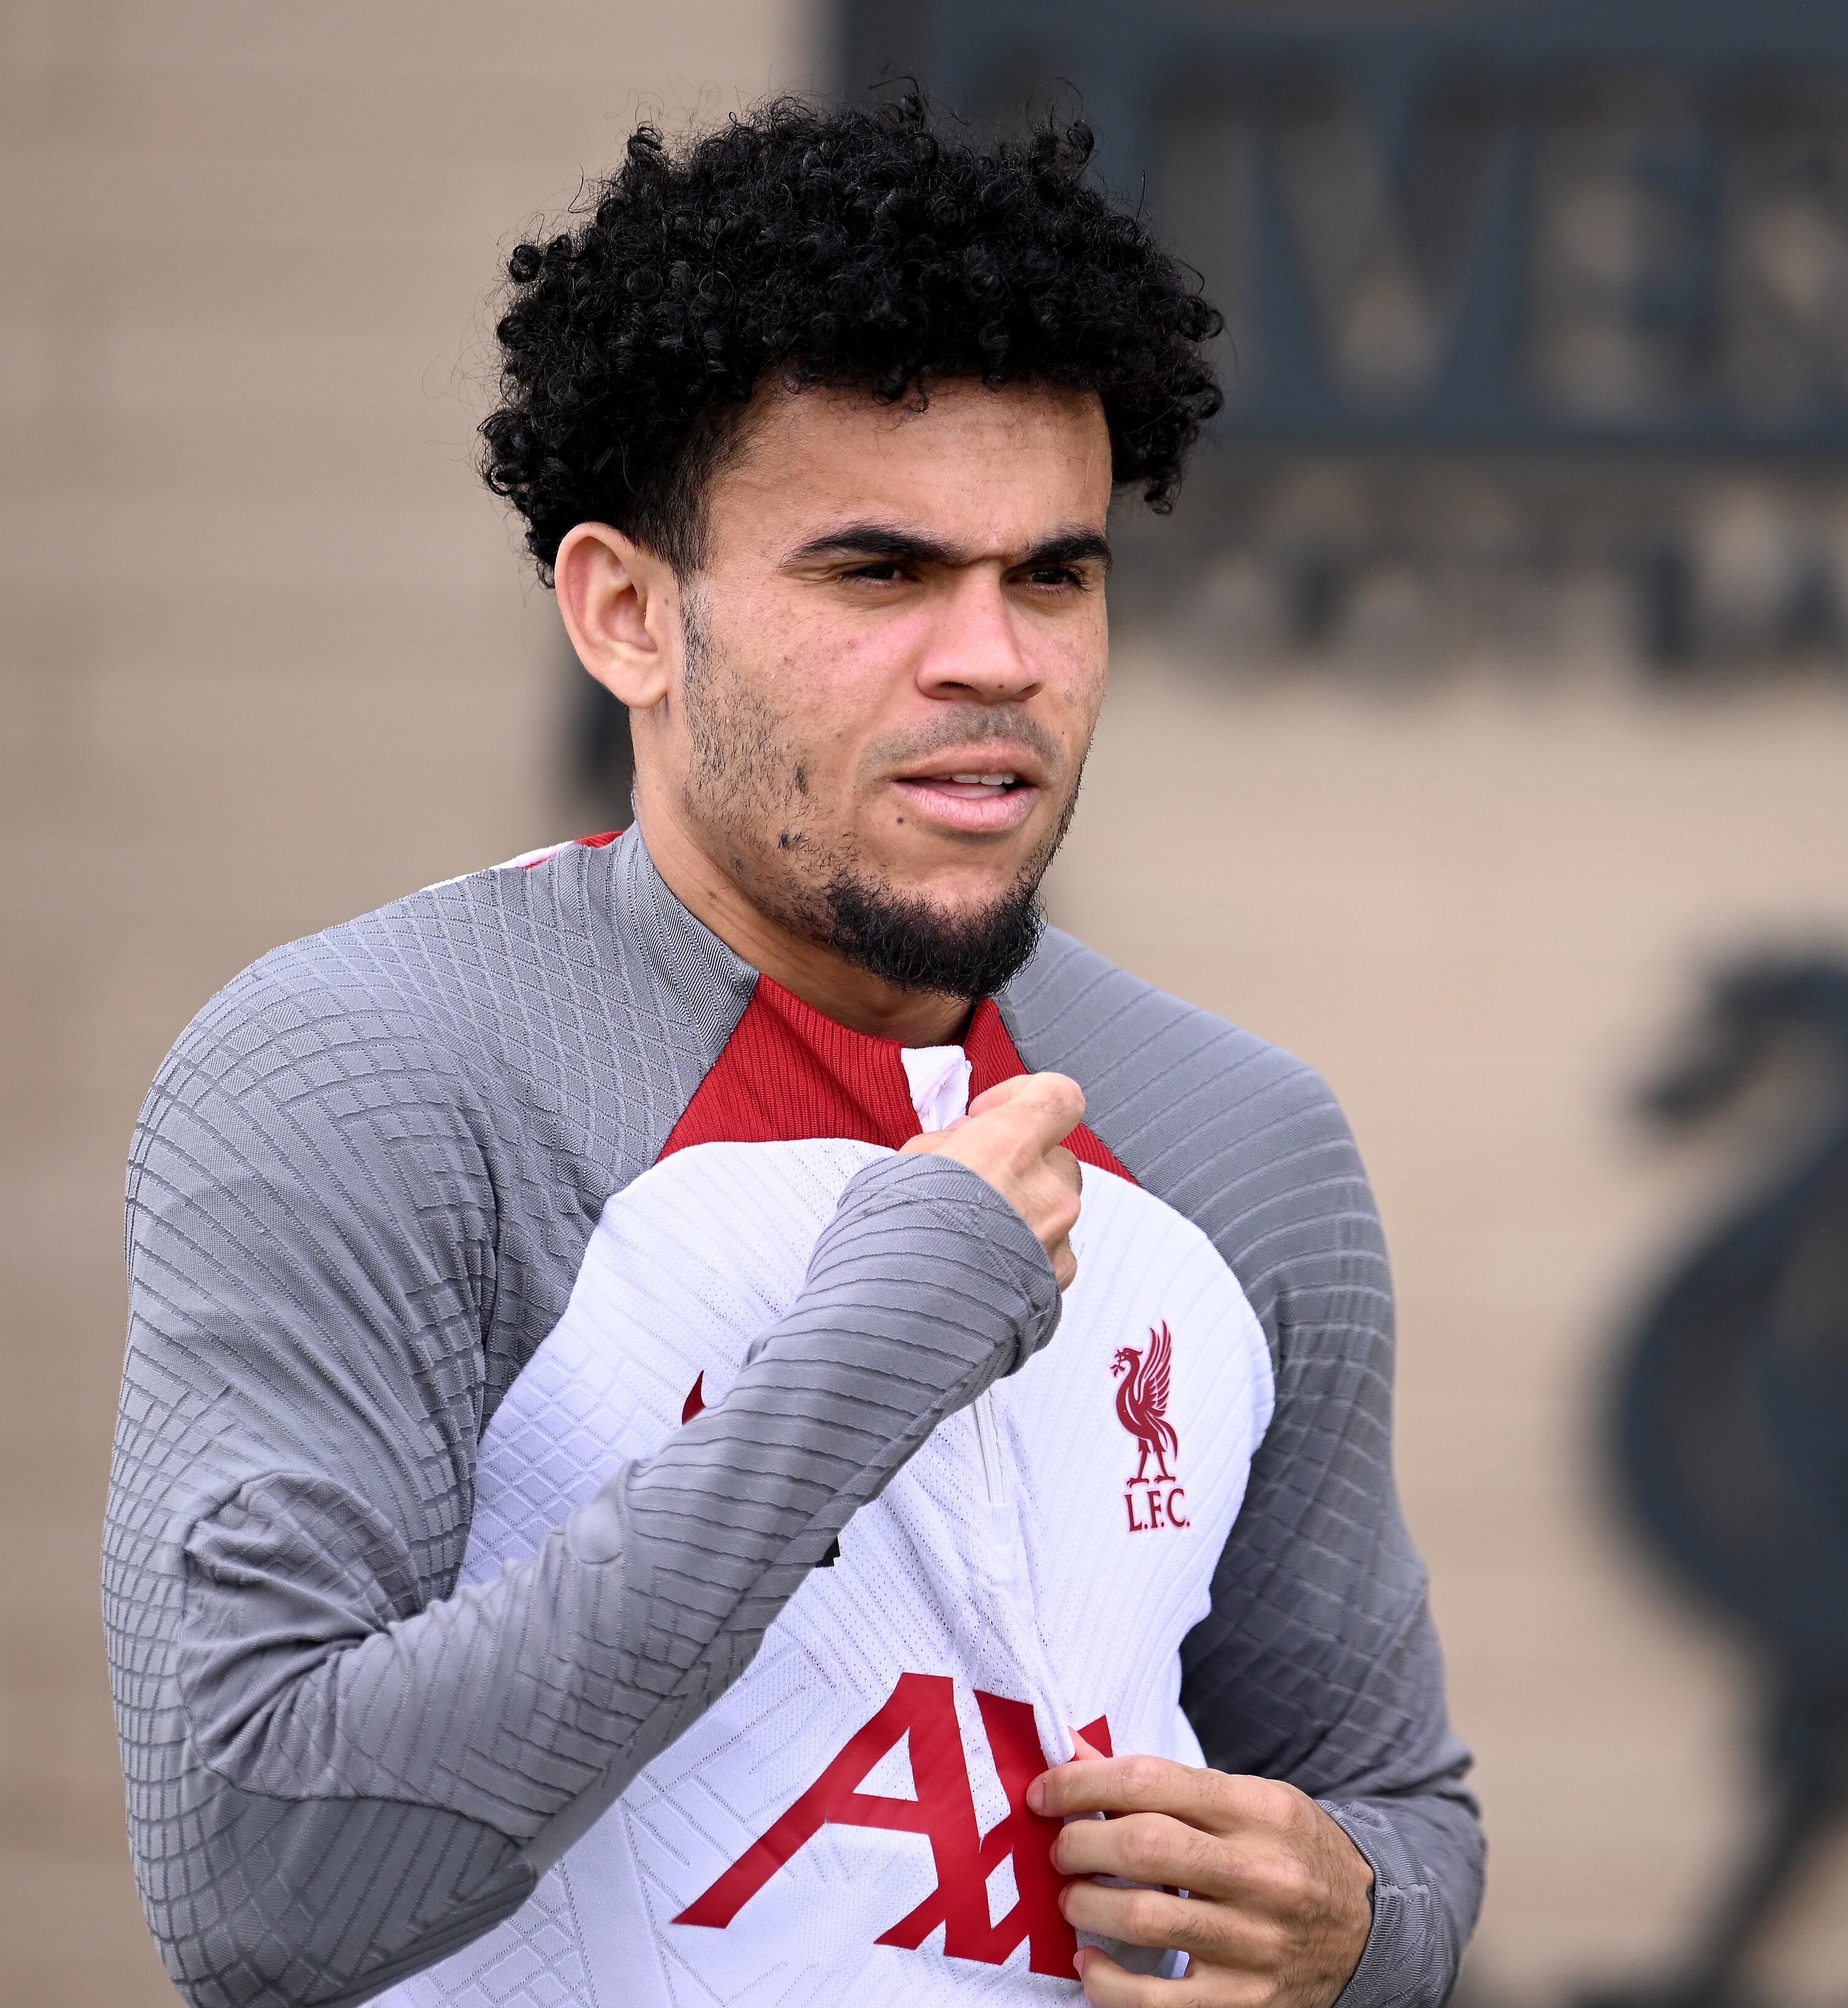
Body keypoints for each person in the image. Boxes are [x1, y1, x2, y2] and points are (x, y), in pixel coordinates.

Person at [102, 95, 1480, 2008]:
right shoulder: (364, 1075)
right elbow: (259, 1884)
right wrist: (892, 1329)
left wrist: (1364, 1920)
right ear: (627, 614)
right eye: (881, 574)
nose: (994, 658)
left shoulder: (1243, 1141)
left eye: (1053, 577)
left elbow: (1389, 1804)